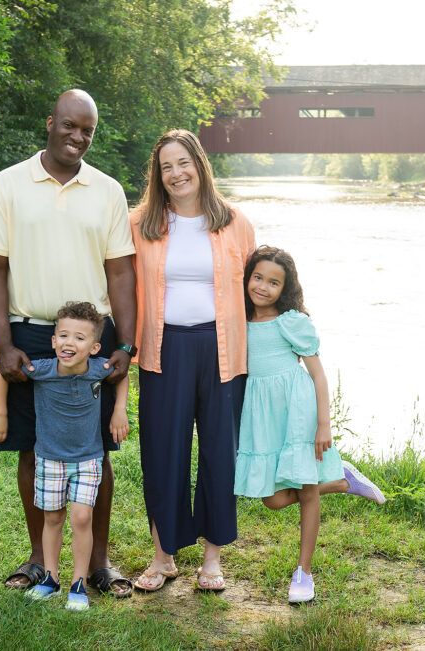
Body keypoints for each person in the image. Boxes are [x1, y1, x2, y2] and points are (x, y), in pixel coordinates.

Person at [0, 89, 137, 598]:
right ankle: (38, 560)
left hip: (93, 339)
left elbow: (121, 273)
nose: (78, 136)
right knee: (32, 450)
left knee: (97, 453)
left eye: (88, 130)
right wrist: (3, 345)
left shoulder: (108, 191)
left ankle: (99, 563)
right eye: (70, 125)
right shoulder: (8, 184)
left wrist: (125, 344)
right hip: (30, 333)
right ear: (50, 123)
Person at [129, 129, 255, 592]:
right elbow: (120, 286)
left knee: (220, 452)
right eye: (166, 167)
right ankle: (162, 557)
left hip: (223, 352)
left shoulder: (236, 222)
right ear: (157, 175)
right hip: (163, 351)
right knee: (162, 452)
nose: (176, 173)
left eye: (183, 163)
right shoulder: (139, 223)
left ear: (200, 164)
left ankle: (212, 560)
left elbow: (257, 292)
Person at [234, 245, 385, 604]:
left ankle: (304, 572)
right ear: (247, 278)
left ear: (284, 288)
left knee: (306, 491)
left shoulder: (291, 322)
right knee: (272, 500)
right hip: (261, 417)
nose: (263, 287)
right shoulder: (238, 319)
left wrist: (323, 425)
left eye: (273, 282)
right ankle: (342, 480)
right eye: (258, 278)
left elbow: (317, 375)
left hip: (296, 412)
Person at [0, 302, 130, 611]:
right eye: (63, 336)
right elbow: (2, 372)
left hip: (88, 460)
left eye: (80, 338)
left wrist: (119, 410)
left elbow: (122, 375)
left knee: (81, 518)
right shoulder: (42, 369)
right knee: (52, 518)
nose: (69, 343)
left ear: (94, 347)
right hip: (50, 460)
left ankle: (78, 583)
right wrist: (1, 415)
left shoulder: (99, 368)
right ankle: (50, 579)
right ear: (53, 341)